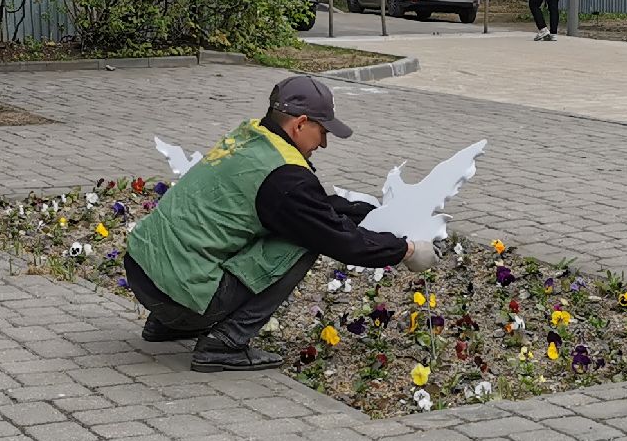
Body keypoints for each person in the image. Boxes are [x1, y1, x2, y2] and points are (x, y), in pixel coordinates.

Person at [124, 75, 439, 372]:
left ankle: (165, 324)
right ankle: (224, 344)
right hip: (178, 297)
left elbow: (302, 207)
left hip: (142, 270)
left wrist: (361, 210)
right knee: (303, 241)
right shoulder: (285, 177)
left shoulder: (250, 136)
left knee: (269, 226)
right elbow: (339, 240)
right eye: (324, 131)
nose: (325, 143)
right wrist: (406, 250)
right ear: (301, 124)